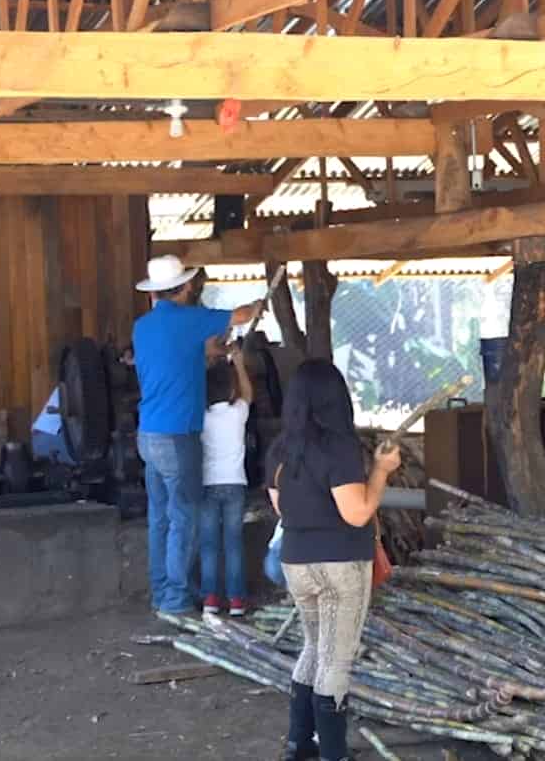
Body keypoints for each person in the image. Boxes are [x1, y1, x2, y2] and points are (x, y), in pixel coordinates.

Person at [266, 360, 400, 761]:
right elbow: (356, 513)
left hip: (297, 563)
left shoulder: (280, 450)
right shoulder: (338, 448)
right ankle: (333, 754)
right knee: (336, 659)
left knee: (313, 647)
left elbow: (281, 509)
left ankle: (299, 744)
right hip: (341, 564)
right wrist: (381, 470)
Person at [134, 255, 264, 615]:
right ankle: (175, 599)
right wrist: (259, 303)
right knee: (183, 518)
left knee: (159, 517)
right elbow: (240, 316)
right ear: (187, 287)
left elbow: (193, 349)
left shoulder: (142, 327)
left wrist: (218, 351)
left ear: (154, 292)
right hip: (178, 436)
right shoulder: (190, 318)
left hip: (148, 434)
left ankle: (161, 591)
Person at [199, 350, 253, 617]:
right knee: (233, 542)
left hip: (208, 484)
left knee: (209, 542)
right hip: (235, 484)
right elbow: (248, 394)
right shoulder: (237, 413)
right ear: (230, 387)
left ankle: (210, 599)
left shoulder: (202, 418)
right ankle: (236, 601)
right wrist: (240, 364)